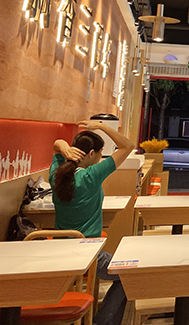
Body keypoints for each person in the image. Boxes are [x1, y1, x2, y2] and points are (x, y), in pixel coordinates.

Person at [50, 120, 135, 325]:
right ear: (90, 154)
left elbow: (56, 144)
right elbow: (128, 146)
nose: (100, 157)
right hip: (89, 255)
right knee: (130, 274)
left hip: (58, 252)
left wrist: (64, 146)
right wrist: (102, 127)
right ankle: (101, 322)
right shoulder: (92, 176)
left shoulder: (57, 175)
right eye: (100, 152)